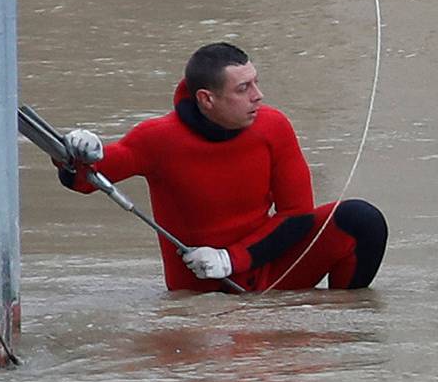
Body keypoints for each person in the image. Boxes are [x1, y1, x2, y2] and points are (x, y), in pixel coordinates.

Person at [57, 42, 389, 294]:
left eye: (256, 83)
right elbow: (86, 180)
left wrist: (232, 258)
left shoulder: (274, 126)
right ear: (206, 99)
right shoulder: (157, 139)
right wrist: (74, 151)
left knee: (361, 220)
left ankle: (342, 325)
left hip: (270, 266)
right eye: (243, 89)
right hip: (206, 285)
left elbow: (297, 216)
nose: (258, 96)